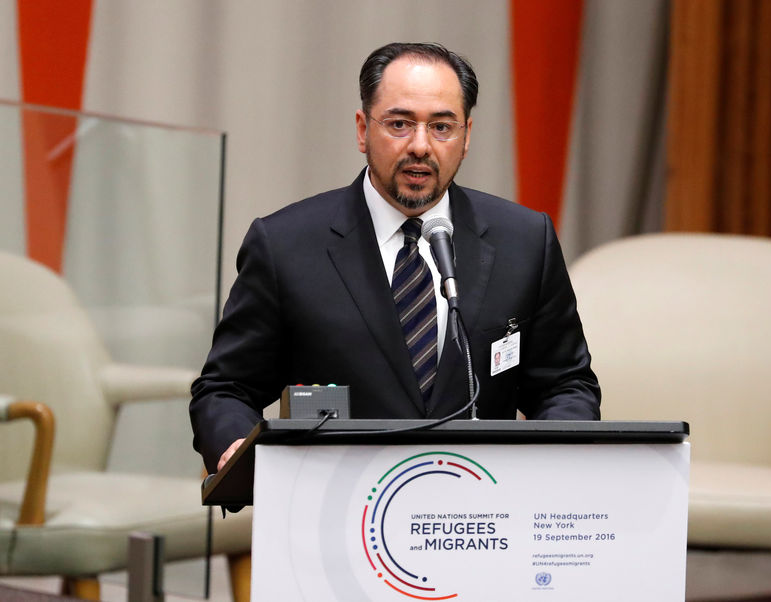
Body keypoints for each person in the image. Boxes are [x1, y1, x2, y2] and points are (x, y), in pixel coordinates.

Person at [190, 42, 600, 475]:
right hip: (335, 510)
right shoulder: (285, 245)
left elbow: (564, 384)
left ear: (466, 138)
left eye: (442, 127)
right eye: (400, 124)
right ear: (363, 129)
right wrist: (236, 447)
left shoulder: (525, 240)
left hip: (478, 512)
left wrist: (558, 456)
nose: (421, 146)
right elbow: (226, 389)